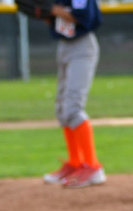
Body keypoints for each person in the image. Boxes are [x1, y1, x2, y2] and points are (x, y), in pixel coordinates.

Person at [41, 0, 105, 189]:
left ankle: (93, 167)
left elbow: (82, 18)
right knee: (62, 109)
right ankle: (75, 163)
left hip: (82, 47)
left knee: (73, 109)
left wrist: (52, 9)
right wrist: (42, 13)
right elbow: (55, 23)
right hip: (65, 46)